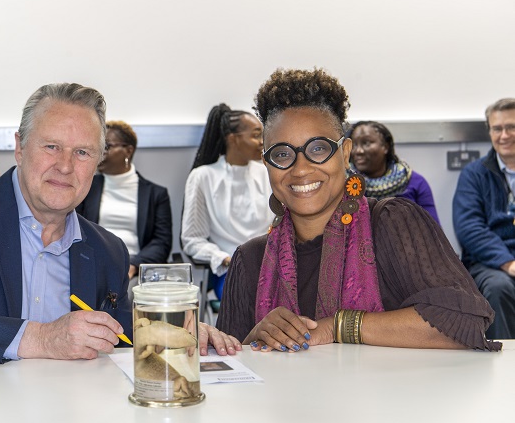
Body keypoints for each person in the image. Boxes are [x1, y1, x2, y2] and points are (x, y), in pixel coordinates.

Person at [0, 83, 240, 363]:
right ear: (20, 148)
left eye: (82, 152)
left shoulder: (108, 251)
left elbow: (119, 332)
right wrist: (41, 338)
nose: (66, 166)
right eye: (51, 146)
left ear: (97, 162)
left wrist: (178, 331)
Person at [216, 68, 500, 352]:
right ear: (266, 163)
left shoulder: (394, 224)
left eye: (318, 149)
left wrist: (338, 326)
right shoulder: (249, 260)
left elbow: (464, 323)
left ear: (345, 151)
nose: (300, 168)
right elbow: (229, 370)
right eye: (281, 154)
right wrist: (256, 336)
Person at [181, 103, 273, 300]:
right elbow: (192, 239)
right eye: (256, 135)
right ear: (233, 140)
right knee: (253, 301)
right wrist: (223, 259)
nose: (261, 142)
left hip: (272, 266)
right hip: (230, 271)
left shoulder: (267, 173)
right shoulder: (203, 177)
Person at [76, 120, 172, 298]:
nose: (100, 153)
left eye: (107, 147)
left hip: (136, 269)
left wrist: (133, 265)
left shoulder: (155, 194)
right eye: (98, 147)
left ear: (128, 150)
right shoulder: (86, 188)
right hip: (94, 264)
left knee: (130, 295)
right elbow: (75, 228)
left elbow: (161, 242)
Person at [453, 98, 515, 340]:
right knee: (499, 288)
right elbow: (469, 228)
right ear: (489, 132)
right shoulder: (474, 174)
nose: (504, 135)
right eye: (497, 128)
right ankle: (506, 365)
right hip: (489, 264)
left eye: (511, 127)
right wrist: (508, 263)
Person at [348, 121, 440, 223]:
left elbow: (433, 230)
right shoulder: (344, 184)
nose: (358, 151)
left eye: (367, 143)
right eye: (354, 145)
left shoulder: (414, 182)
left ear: (385, 147)